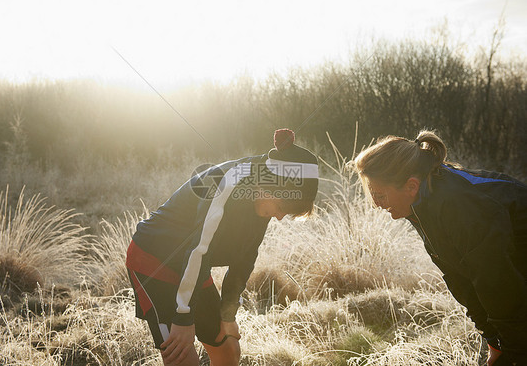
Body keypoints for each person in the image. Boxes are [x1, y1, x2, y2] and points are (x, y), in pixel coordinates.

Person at [125, 129, 319, 366]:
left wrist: (228, 315)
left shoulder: (264, 193)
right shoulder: (229, 184)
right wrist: (183, 318)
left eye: (285, 213)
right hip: (153, 260)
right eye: (280, 208)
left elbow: (246, 257)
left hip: (192, 266)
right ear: (269, 186)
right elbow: (198, 250)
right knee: (181, 354)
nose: (278, 217)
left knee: (228, 346)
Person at [352, 130, 527, 366]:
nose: (376, 204)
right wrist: (494, 340)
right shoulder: (421, 204)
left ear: (411, 186)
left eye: (380, 195)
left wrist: (515, 352)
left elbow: (498, 285)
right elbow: (460, 278)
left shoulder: (459, 205)